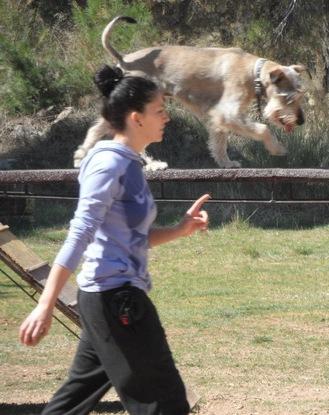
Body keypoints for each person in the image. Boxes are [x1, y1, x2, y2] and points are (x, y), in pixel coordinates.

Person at [19, 65, 209, 415]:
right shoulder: (109, 165)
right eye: (160, 111)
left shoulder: (129, 163)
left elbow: (128, 239)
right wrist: (45, 305)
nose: (167, 117)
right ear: (136, 118)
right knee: (164, 402)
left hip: (108, 299)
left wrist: (181, 229)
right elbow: (80, 233)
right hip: (116, 301)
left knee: (72, 402)